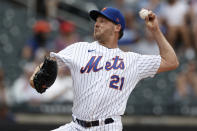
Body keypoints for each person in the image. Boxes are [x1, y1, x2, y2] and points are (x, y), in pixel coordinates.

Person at [30, 7, 179, 131]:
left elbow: (171, 61)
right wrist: (35, 76)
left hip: (107, 127)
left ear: (117, 27)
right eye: (97, 21)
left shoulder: (132, 60)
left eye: (103, 21)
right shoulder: (79, 48)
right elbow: (48, 64)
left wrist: (155, 31)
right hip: (76, 126)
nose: (97, 24)